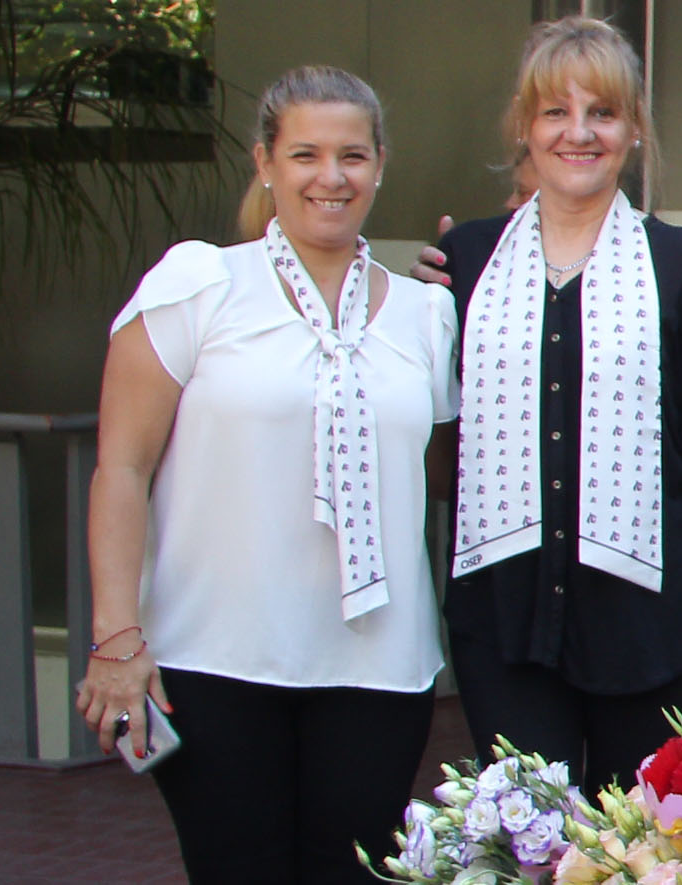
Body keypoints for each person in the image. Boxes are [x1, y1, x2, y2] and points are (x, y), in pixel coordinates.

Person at [73, 66, 455, 883]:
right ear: (265, 162)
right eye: (306, 154)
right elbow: (122, 467)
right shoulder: (201, 285)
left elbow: (444, 474)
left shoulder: (427, 313)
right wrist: (116, 638)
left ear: (380, 165)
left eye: (352, 156)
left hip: (379, 670)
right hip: (214, 660)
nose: (331, 177)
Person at [434, 15, 682, 789]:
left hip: (651, 628)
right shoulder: (465, 261)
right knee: (524, 836)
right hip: (504, 625)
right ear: (525, 126)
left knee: (645, 840)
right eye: (556, 111)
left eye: (602, 112)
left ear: (634, 128)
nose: (578, 132)